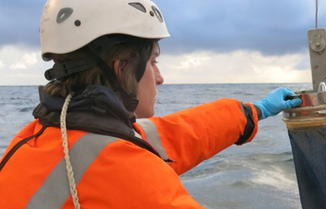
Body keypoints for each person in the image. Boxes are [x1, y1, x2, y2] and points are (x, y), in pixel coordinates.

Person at [0, 0, 302, 208]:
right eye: (154, 62)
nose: (160, 78)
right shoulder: (130, 176)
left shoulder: (32, 139)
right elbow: (130, 167)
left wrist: (254, 111)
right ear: (121, 68)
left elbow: (179, 134)